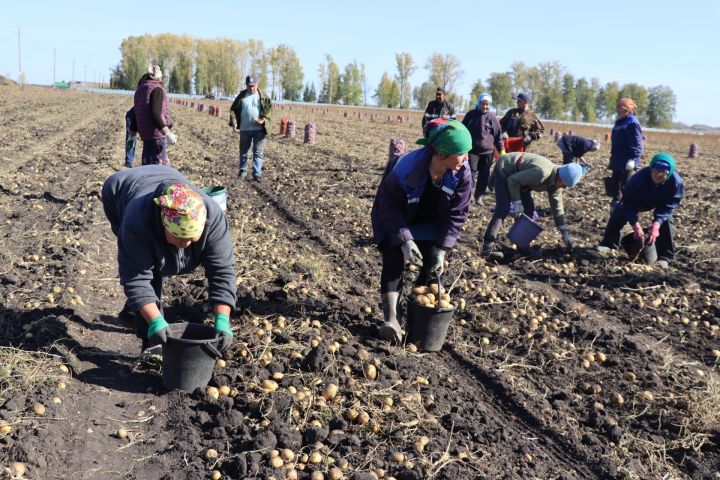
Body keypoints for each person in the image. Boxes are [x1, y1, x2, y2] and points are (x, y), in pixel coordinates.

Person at [101, 166, 237, 352]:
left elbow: (222, 270)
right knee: (150, 266)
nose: (186, 244)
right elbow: (136, 276)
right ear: (163, 226)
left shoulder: (213, 218)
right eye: (179, 237)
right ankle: (150, 342)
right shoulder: (138, 221)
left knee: (158, 267)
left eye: (192, 238)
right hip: (118, 189)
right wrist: (155, 322)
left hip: (166, 176)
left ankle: (137, 308)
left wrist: (222, 319)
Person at [371, 119, 472, 342]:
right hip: (396, 217)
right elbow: (388, 207)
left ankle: (417, 314)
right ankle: (391, 319)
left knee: (430, 266)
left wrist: (441, 249)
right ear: (443, 154)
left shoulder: (462, 172)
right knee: (393, 257)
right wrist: (405, 240)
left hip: (431, 221)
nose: (466, 158)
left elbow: (457, 213)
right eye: (462, 153)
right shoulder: (406, 168)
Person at [481, 152, 586, 260]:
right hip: (506, 170)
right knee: (503, 208)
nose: (564, 188)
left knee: (529, 209)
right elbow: (512, 181)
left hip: (521, 179)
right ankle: (487, 248)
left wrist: (564, 232)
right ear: (561, 178)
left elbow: (557, 207)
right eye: (564, 185)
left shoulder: (555, 184)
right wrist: (517, 202)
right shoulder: (541, 173)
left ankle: (522, 246)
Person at [596, 153, 683, 269]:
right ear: (651, 169)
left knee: (666, 220)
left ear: (669, 174)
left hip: (662, 202)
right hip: (641, 200)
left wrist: (657, 224)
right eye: (655, 173)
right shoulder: (638, 179)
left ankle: (664, 256)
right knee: (620, 209)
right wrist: (635, 225)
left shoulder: (676, 183)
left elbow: (670, 205)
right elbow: (628, 203)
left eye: (662, 176)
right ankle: (609, 244)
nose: (657, 177)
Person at [461, 92, 506, 205]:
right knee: (470, 172)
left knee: (484, 174)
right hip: (472, 151)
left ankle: (479, 196)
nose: (485, 106)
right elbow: (462, 130)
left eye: (487, 104)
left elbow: (498, 135)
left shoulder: (492, 117)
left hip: (487, 152)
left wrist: (502, 150)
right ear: (479, 103)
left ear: (490, 105)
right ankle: (469, 194)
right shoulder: (471, 115)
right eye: (483, 104)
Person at [229, 75, 272, 181]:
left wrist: (263, 120)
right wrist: (233, 122)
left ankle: (256, 174)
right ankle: (242, 171)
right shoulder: (241, 95)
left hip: (259, 130)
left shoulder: (264, 96)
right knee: (244, 152)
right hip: (245, 129)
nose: (251, 88)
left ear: (257, 84)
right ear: (246, 85)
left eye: (253, 86)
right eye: (249, 86)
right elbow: (233, 110)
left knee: (258, 153)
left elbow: (269, 110)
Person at [133, 65, 176, 166]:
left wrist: (132, 132)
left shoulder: (140, 90)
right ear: (158, 77)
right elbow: (155, 113)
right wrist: (167, 132)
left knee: (147, 169)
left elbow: (137, 111)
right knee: (159, 170)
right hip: (156, 136)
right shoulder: (156, 89)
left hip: (146, 136)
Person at [607, 98, 643, 210]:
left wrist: (633, 159)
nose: (618, 110)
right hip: (617, 161)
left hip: (627, 162)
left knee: (626, 189)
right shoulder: (619, 122)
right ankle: (615, 212)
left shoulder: (632, 123)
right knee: (615, 189)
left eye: (621, 108)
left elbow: (637, 143)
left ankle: (628, 216)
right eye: (618, 107)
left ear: (628, 109)